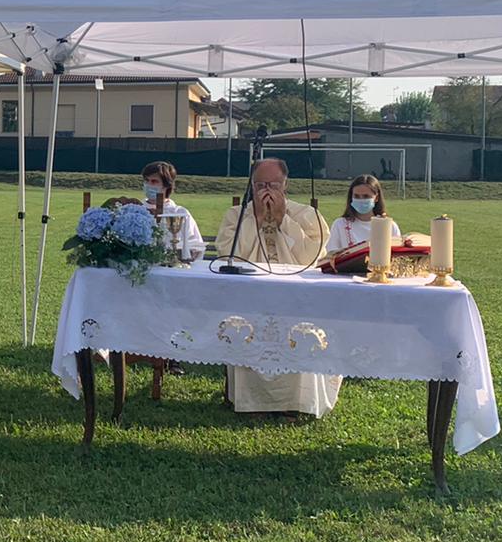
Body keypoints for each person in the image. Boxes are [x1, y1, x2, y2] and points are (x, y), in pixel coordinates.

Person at [215, 158, 338, 418]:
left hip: (297, 297)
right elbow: (230, 256)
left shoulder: (307, 215)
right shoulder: (237, 216)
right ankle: (250, 401)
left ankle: (297, 401)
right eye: (260, 185)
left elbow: (311, 257)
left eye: (273, 184)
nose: (266, 191)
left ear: (285, 184)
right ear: (252, 185)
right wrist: (257, 220)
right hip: (250, 296)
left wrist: (283, 220)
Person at [141, 160, 204, 261]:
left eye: (154, 181)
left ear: (166, 185)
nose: (148, 185)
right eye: (146, 180)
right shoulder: (136, 209)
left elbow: (196, 246)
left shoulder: (180, 213)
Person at [326, 174, 403, 254]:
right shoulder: (339, 225)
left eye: (366, 196)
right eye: (356, 196)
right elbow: (331, 254)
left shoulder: (390, 226)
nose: (361, 200)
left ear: (376, 198)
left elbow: (397, 255)